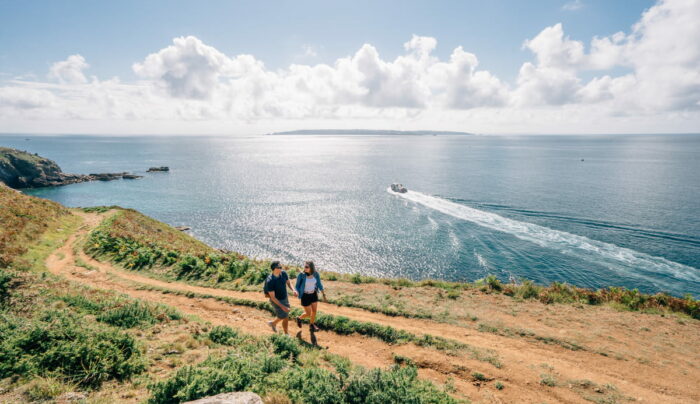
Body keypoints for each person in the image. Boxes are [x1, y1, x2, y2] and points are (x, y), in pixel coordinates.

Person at [264, 261, 297, 334]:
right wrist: (282, 307)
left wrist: (293, 290)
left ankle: (273, 323)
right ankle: (286, 334)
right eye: (279, 267)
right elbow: (273, 297)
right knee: (284, 316)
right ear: (274, 269)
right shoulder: (270, 281)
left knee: (285, 315)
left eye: (281, 267)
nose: (281, 269)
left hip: (284, 297)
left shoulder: (283, 273)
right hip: (276, 300)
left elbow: (288, 283)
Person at [294, 261, 326, 331]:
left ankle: (312, 325)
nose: (305, 268)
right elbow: (297, 286)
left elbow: (319, 284)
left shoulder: (316, 274)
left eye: (306, 267)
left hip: (313, 294)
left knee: (314, 311)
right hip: (305, 296)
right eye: (304, 266)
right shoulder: (301, 275)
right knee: (308, 313)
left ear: (311, 267)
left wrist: (323, 294)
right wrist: (296, 291)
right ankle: (299, 318)